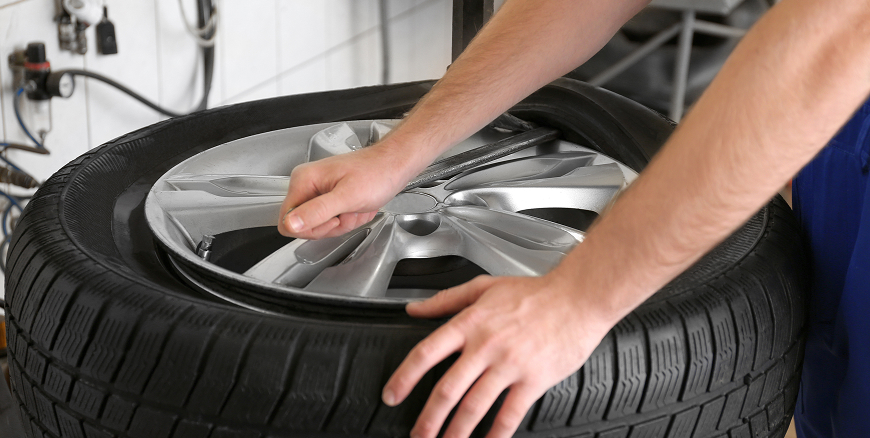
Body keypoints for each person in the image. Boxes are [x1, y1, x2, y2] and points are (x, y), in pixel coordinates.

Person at [277, 0, 870, 437]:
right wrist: (404, 152)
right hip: (843, 145)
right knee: (833, 403)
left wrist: (580, 298)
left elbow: (841, 31)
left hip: (836, 81)